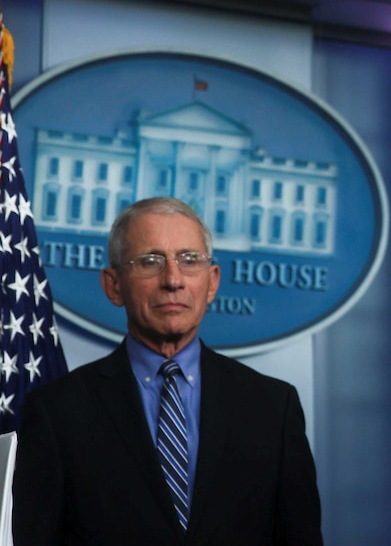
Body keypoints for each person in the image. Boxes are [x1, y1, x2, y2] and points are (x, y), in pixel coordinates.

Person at [13, 197, 323, 545]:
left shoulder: (272, 407)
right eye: (150, 261)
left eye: (190, 261)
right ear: (113, 286)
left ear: (212, 282)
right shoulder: (57, 412)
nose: (173, 279)